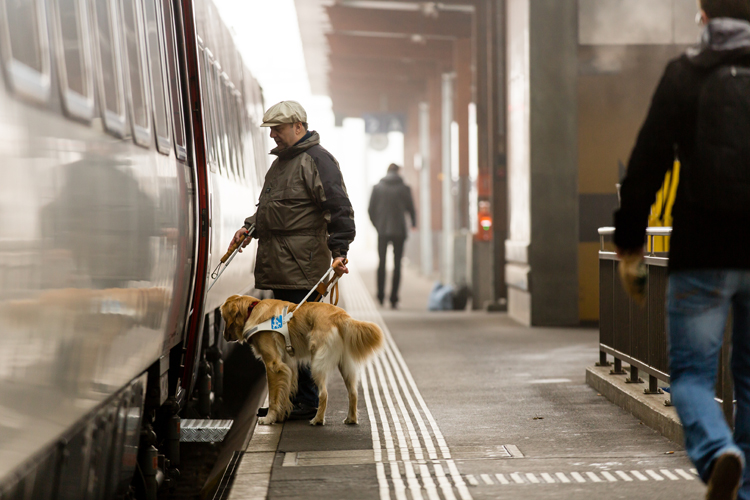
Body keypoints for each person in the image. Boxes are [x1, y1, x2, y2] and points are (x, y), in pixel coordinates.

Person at [614, 2, 750, 498]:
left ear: (702, 14)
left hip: (702, 251)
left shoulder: (683, 75)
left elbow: (648, 160)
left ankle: (718, 454)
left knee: (692, 375)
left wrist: (630, 239)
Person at [229, 100, 355, 421]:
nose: (272, 135)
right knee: (285, 340)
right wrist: (249, 227)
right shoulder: (281, 164)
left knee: (301, 337)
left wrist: (340, 251)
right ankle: (292, 401)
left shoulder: (318, 161)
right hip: (280, 267)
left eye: (278, 128)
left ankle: (307, 401)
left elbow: (339, 207)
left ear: (298, 126)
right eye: (270, 129)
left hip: (303, 269)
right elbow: (270, 209)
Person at [368, 163, 416, 309]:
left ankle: (380, 296)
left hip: (382, 231)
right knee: (397, 265)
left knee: (381, 263)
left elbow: (370, 210)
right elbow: (411, 208)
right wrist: (413, 223)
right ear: (398, 172)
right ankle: (394, 298)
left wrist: (377, 225)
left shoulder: (377, 188)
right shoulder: (404, 188)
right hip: (399, 231)